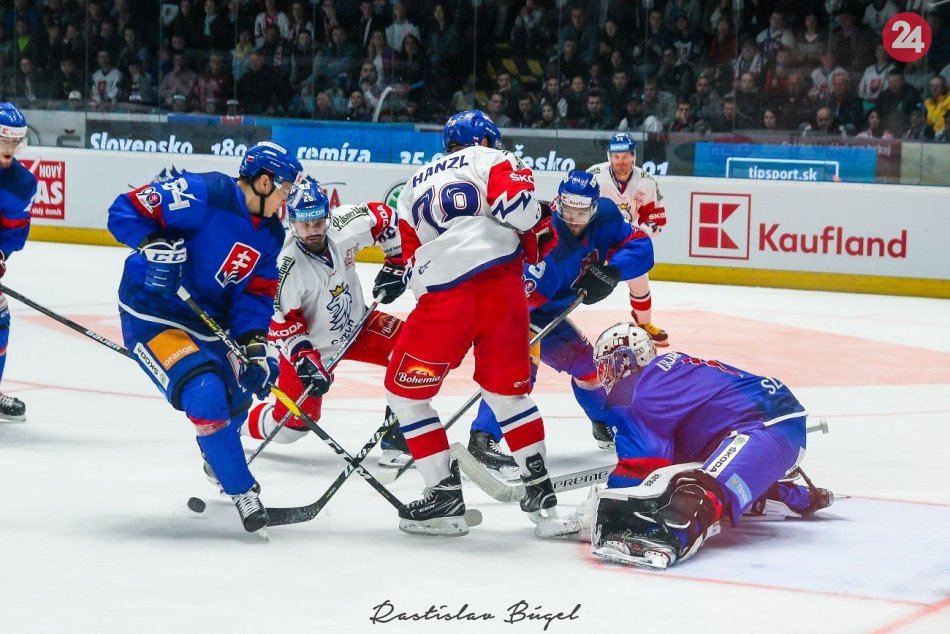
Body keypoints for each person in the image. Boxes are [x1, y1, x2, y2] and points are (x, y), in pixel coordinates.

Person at [107, 142, 303, 534]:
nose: (286, 199)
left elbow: (256, 294)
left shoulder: (269, 233)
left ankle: (218, 454)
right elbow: (125, 209)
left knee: (253, 379)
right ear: (263, 182)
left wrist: (252, 342)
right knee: (204, 392)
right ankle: (242, 489)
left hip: (208, 322)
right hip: (153, 316)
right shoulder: (204, 192)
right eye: (284, 189)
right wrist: (151, 245)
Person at [385, 110, 560, 536]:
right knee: (507, 395)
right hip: (503, 290)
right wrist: (541, 222)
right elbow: (516, 207)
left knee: (405, 396)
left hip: (446, 299)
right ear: (486, 139)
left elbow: (410, 259)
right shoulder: (492, 158)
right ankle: (540, 493)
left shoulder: (412, 185)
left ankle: (443, 496)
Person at [537, 323, 834, 569]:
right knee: (686, 467)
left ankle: (670, 536)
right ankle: (785, 495)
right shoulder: (669, 368)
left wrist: (592, 512)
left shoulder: (636, 393)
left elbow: (641, 467)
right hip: (767, 422)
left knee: (698, 489)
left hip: (764, 428)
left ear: (623, 360)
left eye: (607, 366)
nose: (605, 376)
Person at [465, 170, 654, 472]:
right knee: (519, 372)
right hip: (512, 309)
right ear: (558, 204)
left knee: (589, 369)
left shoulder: (606, 216)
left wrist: (614, 270)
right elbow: (512, 301)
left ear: (593, 207)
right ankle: (483, 437)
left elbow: (641, 245)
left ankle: (603, 423)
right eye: (568, 211)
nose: (575, 218)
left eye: (582, 211)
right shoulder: (542, 238)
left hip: (550, 312)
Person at [242, 178, 410, 456]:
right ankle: (235, 425)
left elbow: (385, 217)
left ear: (328, 216)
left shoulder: (345, 226)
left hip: (358, 327)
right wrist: (303, 358)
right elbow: (278, 320)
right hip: (312, 348)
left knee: (411, 350)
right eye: (304, 224)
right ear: (291, 221)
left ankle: (397, 439)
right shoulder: (284, 265)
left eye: (318, 222)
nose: (312, 231)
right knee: (292, 426)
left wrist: (395, 261)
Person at [587, 133, 669, 346]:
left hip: (628, 241)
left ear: (634, 156)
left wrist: (636, 237)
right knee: (572, 277)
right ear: (609, 156)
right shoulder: (594, 176)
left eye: (625, 156)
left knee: (640, 279)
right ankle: (552, 319)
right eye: (616, 157)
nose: (621, 161)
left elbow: (656, 218)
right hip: (597, 241)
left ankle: (644, 325)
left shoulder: (647, 182)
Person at [0, 104, 36, 422]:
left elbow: (13, 234)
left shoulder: (22, 183)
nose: (10, 148)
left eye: (15, 141)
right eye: (4, 139)